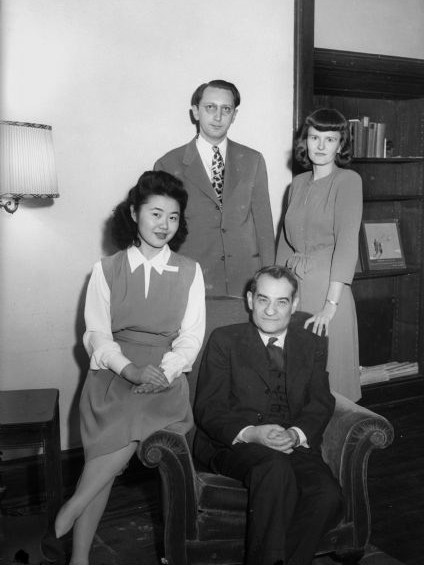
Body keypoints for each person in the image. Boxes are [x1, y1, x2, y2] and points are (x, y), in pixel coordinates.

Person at [41, 170, 205, 564]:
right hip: (112, 375)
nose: (164, 224)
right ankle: (78, 554)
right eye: (155, 214)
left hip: (165, 378)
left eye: (173, 217)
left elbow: (191, 336)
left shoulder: (189, 271)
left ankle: (70, 511)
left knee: (123, 434)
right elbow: (97, 334)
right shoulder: (107, 269)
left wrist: (166, 370)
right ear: (134, 213)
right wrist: (129, 369)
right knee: (109, 449)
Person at [194, 266, 342, 565]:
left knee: (328, 496)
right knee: (275, 469)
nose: (271, 311)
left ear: (295, 304)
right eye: (263, 300)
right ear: (250, 300)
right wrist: (251, 433)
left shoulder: (312, 342)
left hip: (292, 443)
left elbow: (320, 401)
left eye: (281, 302)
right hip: (234, 444)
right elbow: (209, 407)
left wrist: (296, 434)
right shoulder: (225, 340)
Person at [154, 79, 275, 297]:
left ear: (234, 115)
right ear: (196, 112)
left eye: (226, 109)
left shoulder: (253, 160)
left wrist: (269, 278)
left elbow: (264, 225)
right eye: (210, 107)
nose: (218, 116)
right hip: (193, 279)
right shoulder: (168, 164)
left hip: (245, 280)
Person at [276, 108, 363, 402]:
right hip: (296, 289)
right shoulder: (297, 184)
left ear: (341, 145)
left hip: (329, 292)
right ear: (306, 141)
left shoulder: (348, 181)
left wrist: (330, 306)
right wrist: (276, 294)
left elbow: (347, 244)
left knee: (330, 386)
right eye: (315, 137)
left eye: (330, 139)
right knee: (295, 379)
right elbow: (285, 244)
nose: (321, 146)